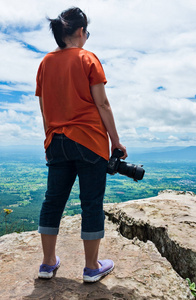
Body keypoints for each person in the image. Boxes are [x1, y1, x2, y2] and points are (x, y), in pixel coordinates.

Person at [35, 7, 127, 282]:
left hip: (56, 141)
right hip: (89, 140)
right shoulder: (88, 58)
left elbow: (44, 109)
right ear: (79, 31)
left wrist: (50, 138)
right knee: (91, 203)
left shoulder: (45, 63)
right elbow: (102, 103)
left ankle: (48, 263)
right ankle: (91, 267)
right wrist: (116, 141)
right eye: (86, 31)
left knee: (53, 202)